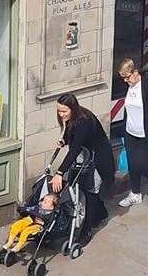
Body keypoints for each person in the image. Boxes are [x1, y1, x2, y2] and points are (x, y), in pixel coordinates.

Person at [51, 93, 114, 235]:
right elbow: (72, 135)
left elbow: (75, 149)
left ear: (73, 109)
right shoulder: (73, 118)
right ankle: (101, 212)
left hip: (98, 158)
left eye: (64, 111)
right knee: (86, 188)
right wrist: (65, 140)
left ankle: (87, 230)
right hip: (85, 156)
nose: (61, 114)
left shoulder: (84, 121)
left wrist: (59, 173)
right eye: (59, 111)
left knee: (91, 191)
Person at [116, 57, 148, 208]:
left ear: (135, 72)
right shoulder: (129, 86)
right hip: (131, 132)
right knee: (132, 165)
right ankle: (135, 194)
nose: (125, 81)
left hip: (147, 134)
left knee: (142, 164)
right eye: (123, 78)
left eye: (127, 77)